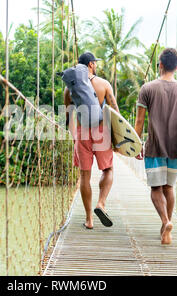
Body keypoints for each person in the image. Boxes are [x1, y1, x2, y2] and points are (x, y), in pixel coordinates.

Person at [134, 48, 177, 245]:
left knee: (155, 189)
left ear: (160, 64)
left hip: (154, 147)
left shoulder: (147, 89)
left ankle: (165, 221)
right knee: (169, 188)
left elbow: (140, 122)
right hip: (175, 150)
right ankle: (166, 228)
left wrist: (135, 145)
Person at [64, 52, 120, 230]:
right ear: (90, 64)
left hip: (82, 132)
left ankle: (89, 220)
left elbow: (68, 115)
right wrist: (119, 139)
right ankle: (101, 203)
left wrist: (75, 136)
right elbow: (115, 112)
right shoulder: (103, 84)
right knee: (108, 169)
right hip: (102, 131)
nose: (96, 65)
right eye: (95, 62)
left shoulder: (70, 87)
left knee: (84, 176)